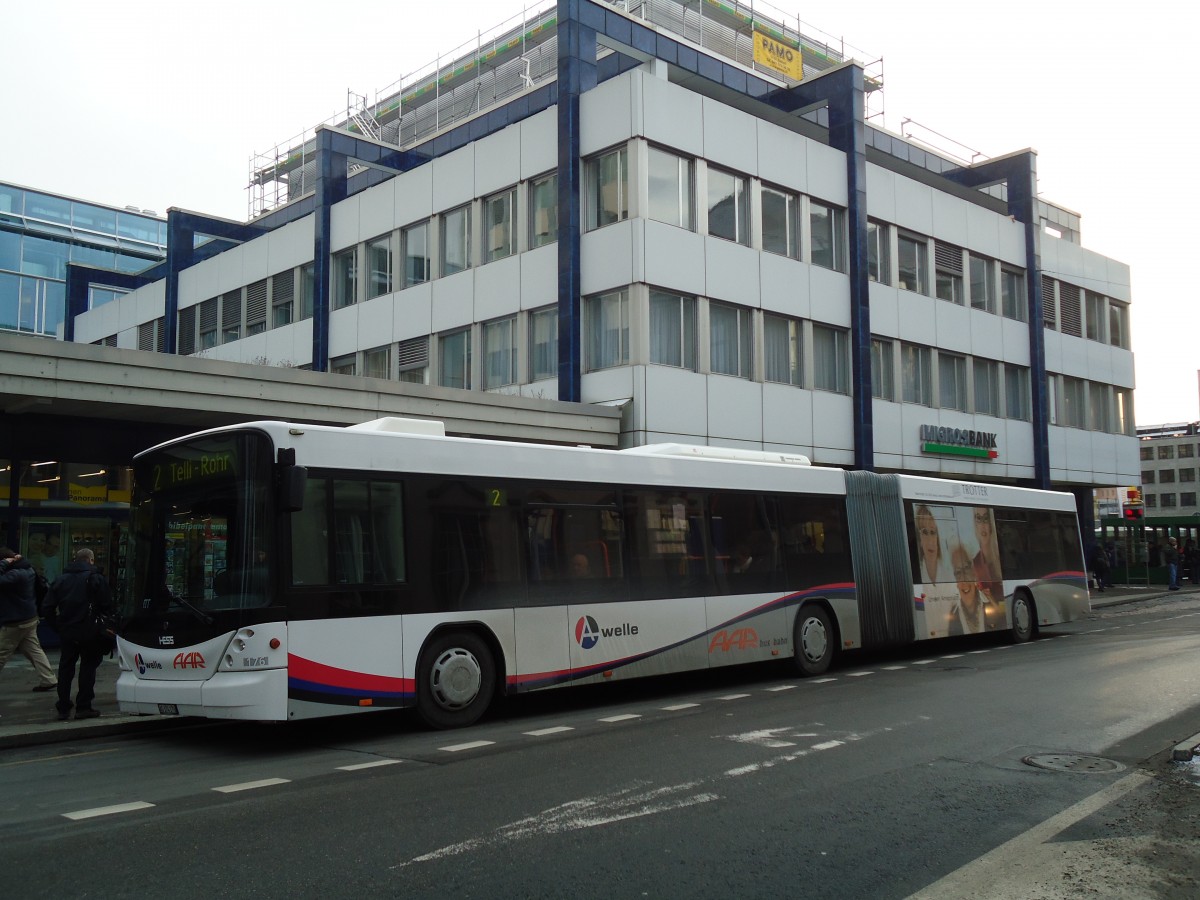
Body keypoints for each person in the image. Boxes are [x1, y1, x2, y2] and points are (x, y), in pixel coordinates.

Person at [40, 548, 113, 721]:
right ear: (91, 560)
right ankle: (83, 706)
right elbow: (107, 606)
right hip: (90, 631)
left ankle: (63, 707)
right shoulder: (96, 578)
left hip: (68, 631)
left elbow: (47, 607)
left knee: (66, 668)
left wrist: (57, 626)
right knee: (88, 668)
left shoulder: (61, 579)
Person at [0, 546, 59, 696]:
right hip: (29, 618)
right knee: (34, 650)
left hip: (16, 621)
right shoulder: (28, 569)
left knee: (1, 652)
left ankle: (49, 679)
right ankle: (49, 679)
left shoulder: (15, 574)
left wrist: (4, 564)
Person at [946, 544, 999, 635]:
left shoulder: (990, 603)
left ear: (974, 572)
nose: (964, 578)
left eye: (966, 568)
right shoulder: (953, 616)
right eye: (958, 572)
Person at [971, 507, 1004, 604]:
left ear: (991, 523)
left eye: (986, 519)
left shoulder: (1001, 553)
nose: (982, 525)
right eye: (978, 519)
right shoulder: (976, 563)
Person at [916, 505, 952, 584]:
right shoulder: (915, 574)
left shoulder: (950, 575)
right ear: (919, 539)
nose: (930, 541)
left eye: (932, 532)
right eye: (925, 532)